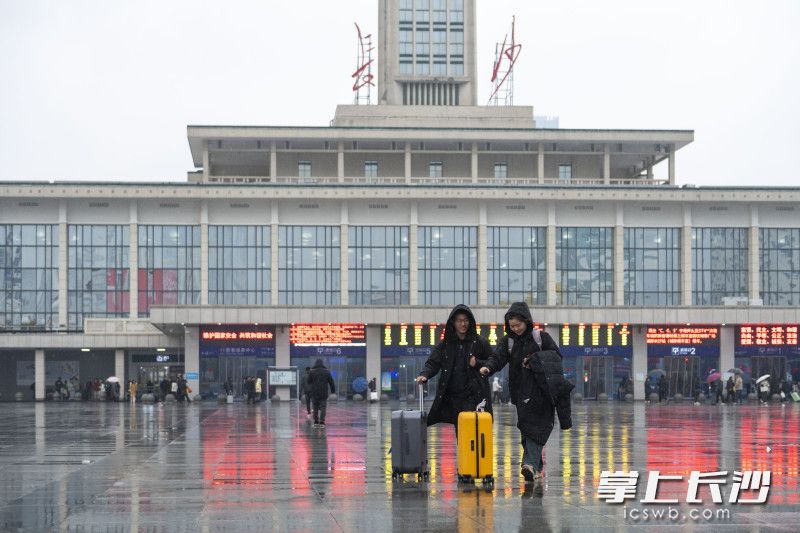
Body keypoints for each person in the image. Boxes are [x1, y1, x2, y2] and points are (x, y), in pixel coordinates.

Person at [479, 301, 572, 496]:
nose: (515, 329)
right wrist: (488, 367)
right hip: (522, 393)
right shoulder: (508, 342)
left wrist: (534, 360)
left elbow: (556, 356)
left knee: (538, 427)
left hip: (543, 392)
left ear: (527, 321)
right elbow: (497, 358)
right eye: (512, 326)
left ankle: (529, 464)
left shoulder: (541, 338)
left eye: (518, 325)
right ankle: (535, 468)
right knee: (526, 428)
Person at [415, 304, 492, 433]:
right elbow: (433, 363)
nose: (463, 324)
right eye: (459, 321)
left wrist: (477, 363)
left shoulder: (480, 342)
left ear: (470, 322)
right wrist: (425, 374)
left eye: (466, 320)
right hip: (453, 397)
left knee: (474, 431)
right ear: (453, 323)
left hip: (474, 396)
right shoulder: (446, 344)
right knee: (461, 432)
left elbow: (492, 362)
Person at [307, 359, 336, 427]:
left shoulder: (312, 372)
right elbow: (331, 382)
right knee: (323, 407)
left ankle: (316, 422)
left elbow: (308, 381)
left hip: (314, 392)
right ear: (322, 364)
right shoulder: (327, 371)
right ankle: (322, 422)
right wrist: (333, 391)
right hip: (323, 392)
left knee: (315, 407)